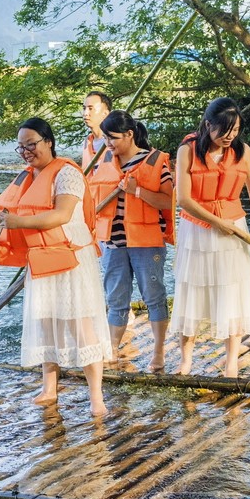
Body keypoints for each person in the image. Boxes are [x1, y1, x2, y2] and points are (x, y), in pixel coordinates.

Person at [0, 117, 111, 417]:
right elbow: (7, 218)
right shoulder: (25, 178)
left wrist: (18, 222)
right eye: (21, 147)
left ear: (49, 142)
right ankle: (49, 387)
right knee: (45, 321)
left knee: (81, 325)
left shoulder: (67, 173)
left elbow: (62, 214)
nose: (27, 151)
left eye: (32, 144)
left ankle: (96, 396)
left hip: (70, 256)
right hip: (40, 256)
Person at [171, 97, 250, 379]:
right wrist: (216, 222)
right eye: (224, 130)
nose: (230, 136)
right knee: (192, 290)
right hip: (198, 228)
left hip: (234, 228)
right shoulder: (187, 151)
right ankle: (186, 361)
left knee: (233, 290)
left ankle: (231, 363)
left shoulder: (243, 151)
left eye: (236, 130)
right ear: (208, 125)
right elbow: (184, 199)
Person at [87, 110, 175, 371]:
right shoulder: (103, 160)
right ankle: (112, 350)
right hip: (112, 243)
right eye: (105, 138)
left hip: (147, 242)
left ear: (129, 134)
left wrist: (136, 190)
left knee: (154, 296)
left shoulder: (156, 161)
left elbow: (169, 201)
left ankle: (158, 353)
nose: (108, 143)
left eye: (113, 138)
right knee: (115, 299)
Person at [78, 91, 112, 171]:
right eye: (84, 108)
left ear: (105, 113)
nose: (85, 113)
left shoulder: (114, 140)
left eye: (90, 109)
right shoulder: (87, 141)